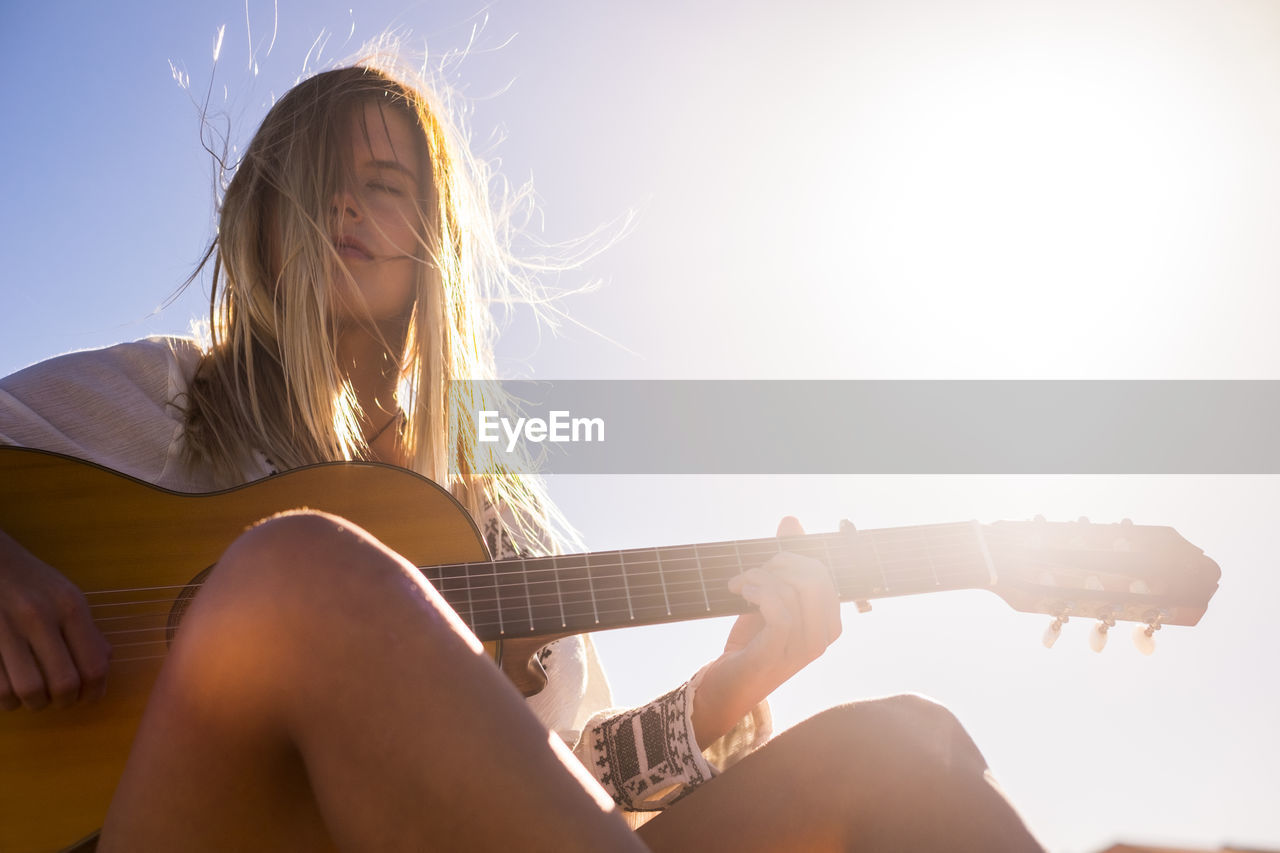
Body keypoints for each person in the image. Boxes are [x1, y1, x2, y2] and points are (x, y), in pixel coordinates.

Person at [0, 55, 1046, 851]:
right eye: (313, 181)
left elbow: (556, 781)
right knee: (290, 572)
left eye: (381, 184)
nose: (344, 207)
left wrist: (727, 692)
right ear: (259, 220)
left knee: (904, 747)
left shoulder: (492, 515)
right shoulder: (162, 395)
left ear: (433, 248)